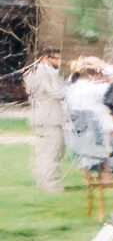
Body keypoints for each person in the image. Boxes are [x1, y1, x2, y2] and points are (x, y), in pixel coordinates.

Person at [24, 48, 65, 193]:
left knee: (44, 151)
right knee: (52, 151)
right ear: (44, 58)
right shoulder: (43, 72)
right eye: (56, 58)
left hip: (42, 117)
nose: (59, 62)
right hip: (50, 118)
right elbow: (57, 92)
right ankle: (51, 183)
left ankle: (45, 181)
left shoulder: (33, 72)